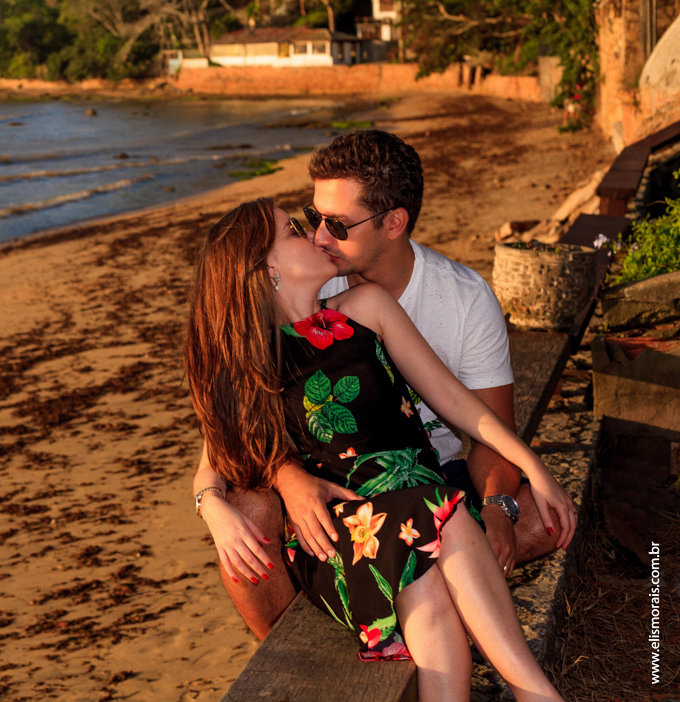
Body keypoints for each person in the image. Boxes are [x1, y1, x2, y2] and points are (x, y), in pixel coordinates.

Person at [187, 198, 575, 700]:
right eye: (294, 231)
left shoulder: (367, 308)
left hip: (416, 506)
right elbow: (209, 470)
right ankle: (536, 693)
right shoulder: (249, 362)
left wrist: (533, 467)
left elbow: (457, 403)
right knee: (442, 516)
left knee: (430, 590)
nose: (315, 235)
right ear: (267, 269)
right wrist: (212, 507)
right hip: (342, 535)